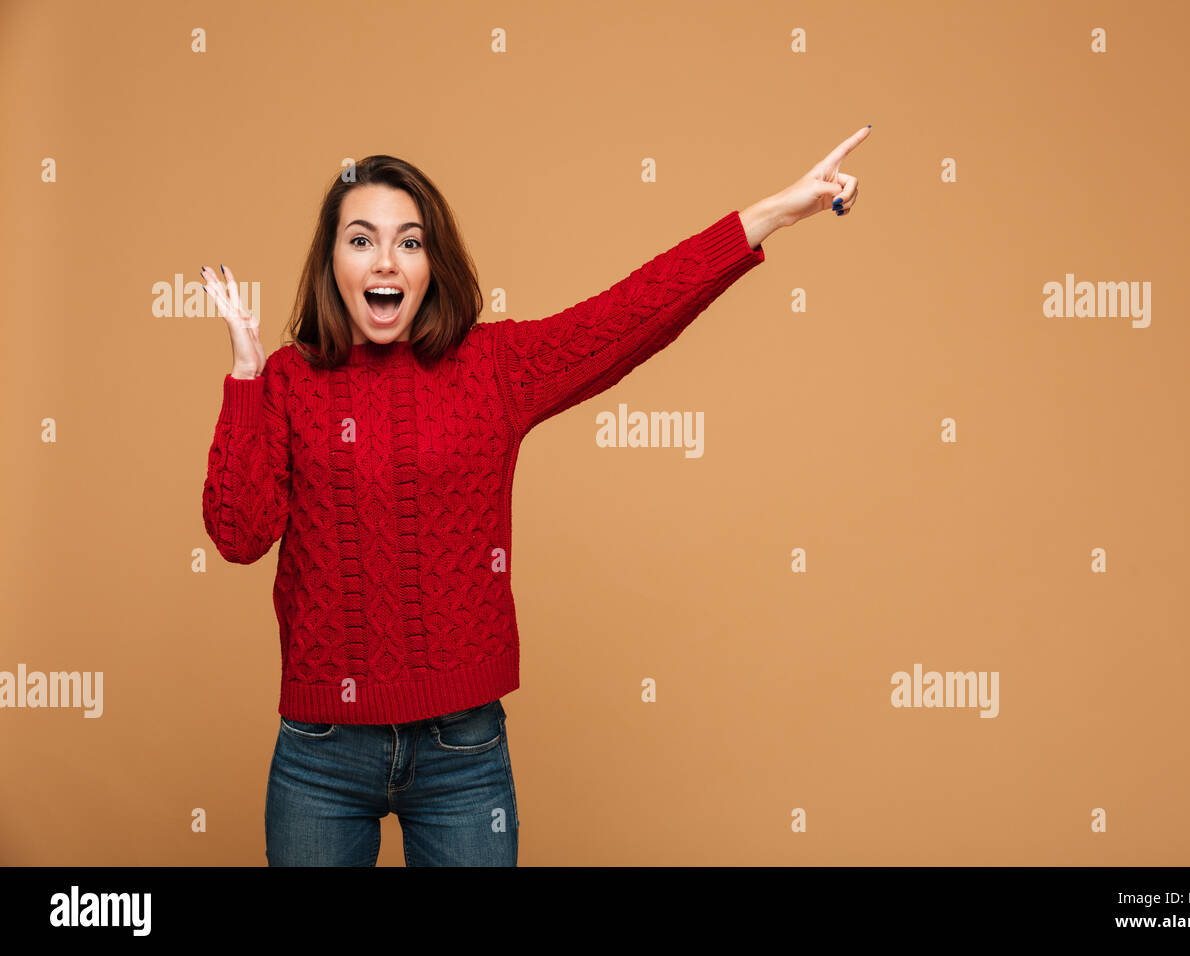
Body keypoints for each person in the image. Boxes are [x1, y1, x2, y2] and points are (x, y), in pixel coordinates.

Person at [200, 130, 868, 867]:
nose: (385, 260)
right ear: (332, 261)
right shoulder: (290, 381)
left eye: (408, 243)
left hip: (462, 751)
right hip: (320, 756)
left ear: (432, 264)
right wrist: (245, 378)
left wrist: (775, 212)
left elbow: (630, 314)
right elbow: (240, 534)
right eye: (361, 240)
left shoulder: (493, 368)